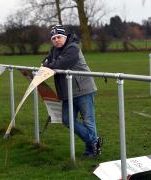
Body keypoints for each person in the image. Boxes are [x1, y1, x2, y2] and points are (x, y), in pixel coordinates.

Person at [42, 25, 102, 157]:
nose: (56, 40)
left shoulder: (73, 48)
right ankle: (94, 142)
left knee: (88, 121)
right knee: (67, 120)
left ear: (65, 37)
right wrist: (49, 63)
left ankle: (91, 151)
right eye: (54, 38)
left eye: (59, 37)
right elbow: (44, 63)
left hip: (83, 89)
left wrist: (50, 63)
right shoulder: (54, 50)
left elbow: (58, 65)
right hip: (67, 92)